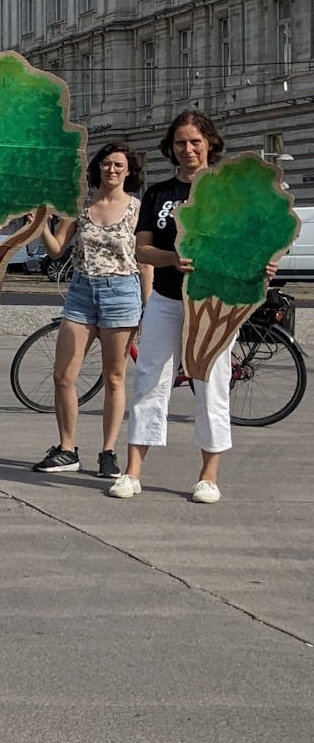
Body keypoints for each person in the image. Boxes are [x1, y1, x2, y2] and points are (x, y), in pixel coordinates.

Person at [114, 111, 273, 504]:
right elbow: (142, 248)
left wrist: (266, 263)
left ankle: (208, 475)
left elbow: (256, 239)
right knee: (150, 379)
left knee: (212, 383)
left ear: (210, 144)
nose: (188, 149)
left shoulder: (229, 191)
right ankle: (132, 471)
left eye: (195, 142)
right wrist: (170, 260)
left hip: (214, 302)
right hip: (168, 299)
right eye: (181, 142)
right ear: (171, 148)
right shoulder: (158, 194)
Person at [31, 143, 148, 478]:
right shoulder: (80, 208)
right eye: (106, 164)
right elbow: (55, 250)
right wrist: (40, 223)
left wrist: (146, 303)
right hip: (82, 291)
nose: (111, 170)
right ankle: (67, 449)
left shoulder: (137, 209)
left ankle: (108, 452)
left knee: (115, 377)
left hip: (122, 292)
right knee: (63, 375)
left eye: (119, 165)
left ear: (128, 171)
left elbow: (144, 261)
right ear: (97, 168)